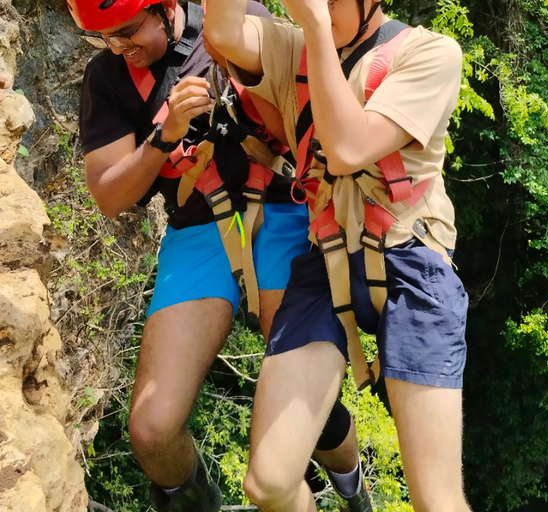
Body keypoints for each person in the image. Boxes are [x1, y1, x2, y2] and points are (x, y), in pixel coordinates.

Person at [66, 0, 371, 510]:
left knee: (300, 397)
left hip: (281, 208)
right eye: (107, 39)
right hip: (199, 230)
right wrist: (163, 138)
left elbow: (305, 107)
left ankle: (352, 488)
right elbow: (109, 196)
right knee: (151, 428)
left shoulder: (232, 19)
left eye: (127, 32)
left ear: (164, 8)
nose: (120, 48)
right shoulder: (108, 79)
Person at [205, 0, 472, 511]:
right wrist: (312, 29)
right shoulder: (288, 45)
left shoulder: (431, 53)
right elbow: (221, 29)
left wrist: (318, 28)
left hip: (411, 259)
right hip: (326, 258)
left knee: (436, 499)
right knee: (269, 482)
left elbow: (349, 148)